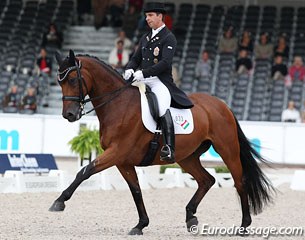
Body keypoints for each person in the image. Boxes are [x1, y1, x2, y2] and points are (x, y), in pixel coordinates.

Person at [123, 2, 194, 163]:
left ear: (160, 16)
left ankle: (169, 148)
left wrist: (143, 73)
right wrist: (130, 68)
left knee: (161, 107)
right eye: (146, 16)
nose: (147, 19)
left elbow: (165, 63)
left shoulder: (169, 37)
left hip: (159, 81)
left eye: (150, 15)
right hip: (143, 80)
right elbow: (136, 58)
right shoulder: (145, 37)